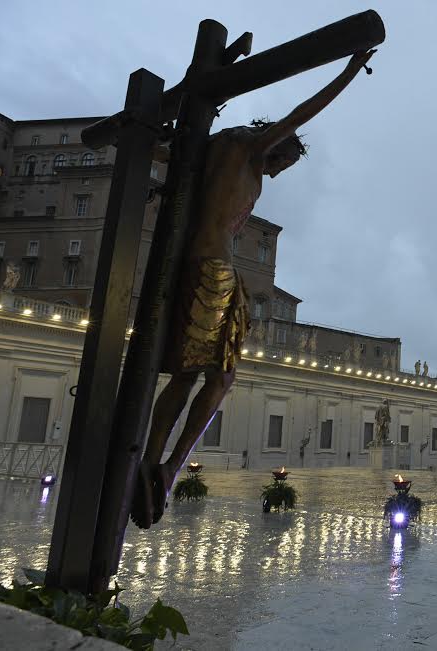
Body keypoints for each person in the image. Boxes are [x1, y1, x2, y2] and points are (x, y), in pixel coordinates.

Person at [131, 49, 377, 529]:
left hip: (194, 266)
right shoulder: (247, 147)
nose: (279, 171)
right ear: (277, 143)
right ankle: (169, 467)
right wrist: (349, 70)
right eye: (284, 160)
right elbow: (303, 112)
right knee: (219, 378)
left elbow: (164, 154)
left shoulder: (211, 147)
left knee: (188, 373)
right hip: (213, 269)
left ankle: (152, 461)